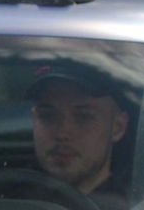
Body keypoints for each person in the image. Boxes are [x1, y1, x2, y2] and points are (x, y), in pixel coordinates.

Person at [29, 67, 135, 198]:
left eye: (84, 117)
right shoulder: (10, 201)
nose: (62, 134)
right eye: (47, 115)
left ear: (118, 127)